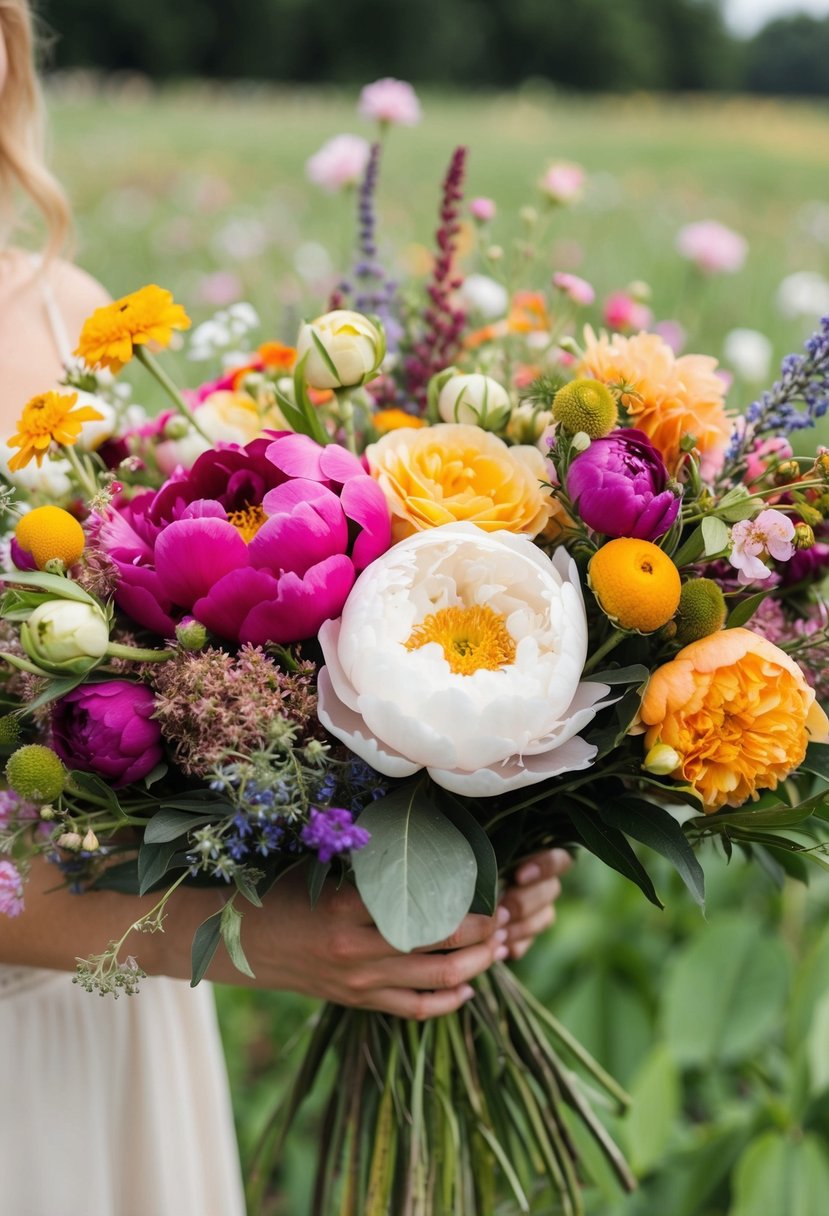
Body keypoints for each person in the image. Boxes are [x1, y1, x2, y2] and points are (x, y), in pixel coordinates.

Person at [0, 4, 573, 1214]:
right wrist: (237, 936)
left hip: (123, 1045)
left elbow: (187, 676)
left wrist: (474, 839)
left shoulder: (66, 312)